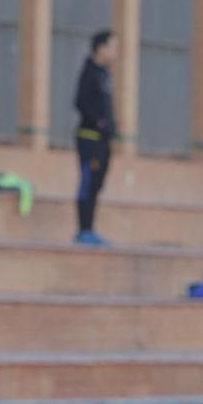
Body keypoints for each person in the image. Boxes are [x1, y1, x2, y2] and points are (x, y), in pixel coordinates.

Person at [74, 30, 119, 246]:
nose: (115, 52)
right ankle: (84, 230)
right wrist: (99, 122)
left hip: (103, 142)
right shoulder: (89, 72)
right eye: (112, 46)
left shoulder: (105, 74)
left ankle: (91, 229)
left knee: (97, 185)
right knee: (88, 183)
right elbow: (80, 102)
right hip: (89, 138)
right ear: (100, 47)